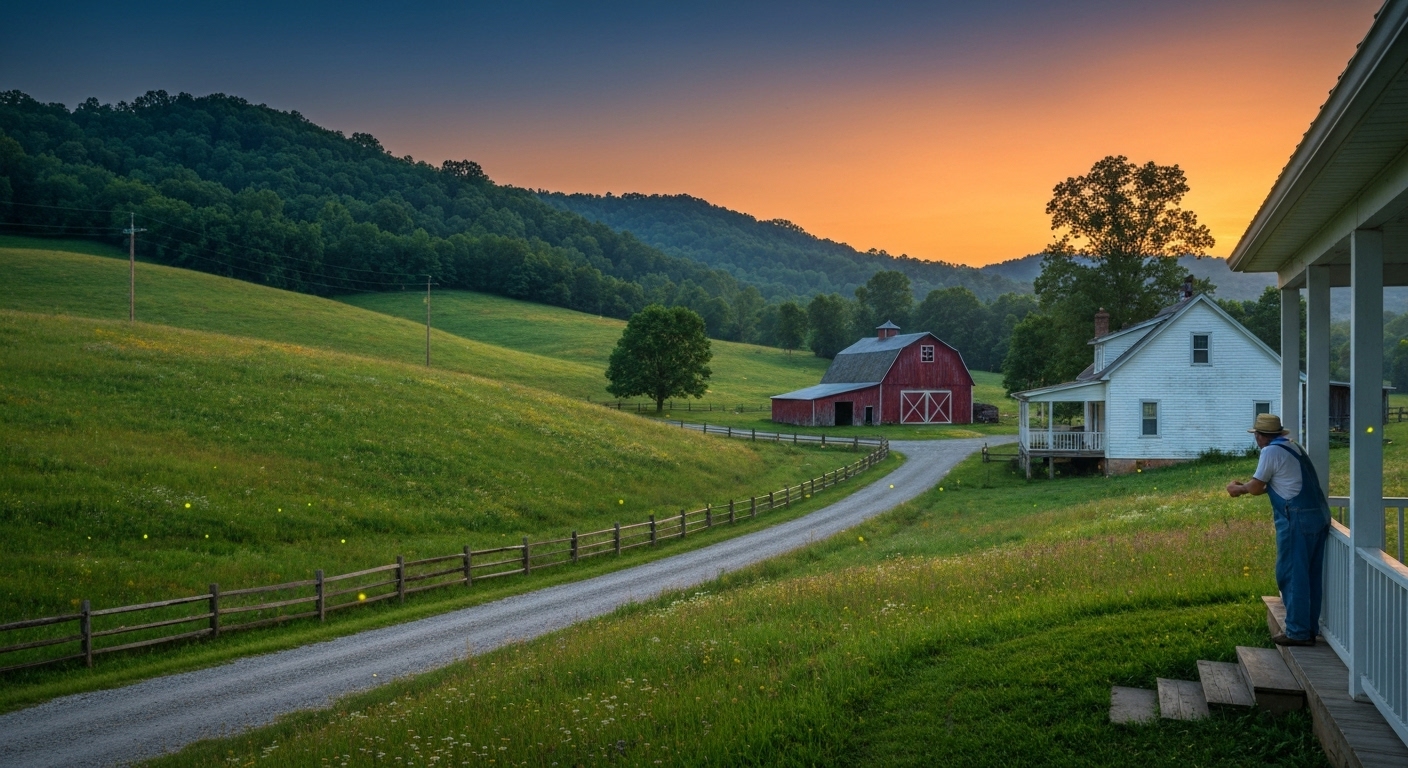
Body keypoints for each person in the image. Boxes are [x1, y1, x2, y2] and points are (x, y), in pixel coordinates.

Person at [1226, 413, 1331, 646]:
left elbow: (1256, 487)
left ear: (1261, 436)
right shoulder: (1294, 447)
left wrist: (1237, 489)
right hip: (1318, 516)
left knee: (1292, 574)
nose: (1256, 439)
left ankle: (1298, 632)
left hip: (1296, 518)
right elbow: (1277, 482)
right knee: (1311, 575)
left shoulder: (1270, 451)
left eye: (1256, 435)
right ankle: (1309, 627)